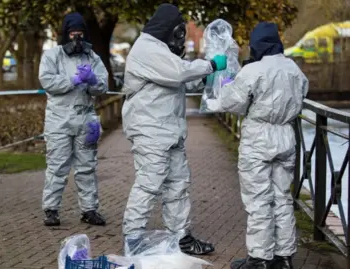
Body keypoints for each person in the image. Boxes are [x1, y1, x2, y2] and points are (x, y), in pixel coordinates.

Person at [121, 3, 228, 255]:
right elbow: (178, 73)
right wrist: (210, 65)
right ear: (171, 30)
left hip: (169, 130)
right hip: (150, 130)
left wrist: (202, 80)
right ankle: (132, 238)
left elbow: (176, 85)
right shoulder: (146, 47)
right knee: (149, 184)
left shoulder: (160, 50)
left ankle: (180, 237)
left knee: (178, 184)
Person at [214, 22, 308, 269]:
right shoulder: (295, 70)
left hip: (258, 137)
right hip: (285, 135)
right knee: (282, 198)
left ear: (256, 45)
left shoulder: (253, 70)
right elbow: (302, 95)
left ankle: (260, 259)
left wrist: (226, 86)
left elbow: (231, 103)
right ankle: (284, 257)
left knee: (258, 200)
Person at [38, 12, 108, 227]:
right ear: (65, 34)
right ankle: (51, 209)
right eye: (72, 34)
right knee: (57, 167)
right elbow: (47, 81)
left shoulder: (92, 57)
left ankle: (89, 209)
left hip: (86, 119)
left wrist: (93, 80)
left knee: (87, 167)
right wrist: (73, 79)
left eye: (80, 34)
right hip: (59, 121)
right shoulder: (52, 56)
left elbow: (103, 86)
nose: (76, 39)